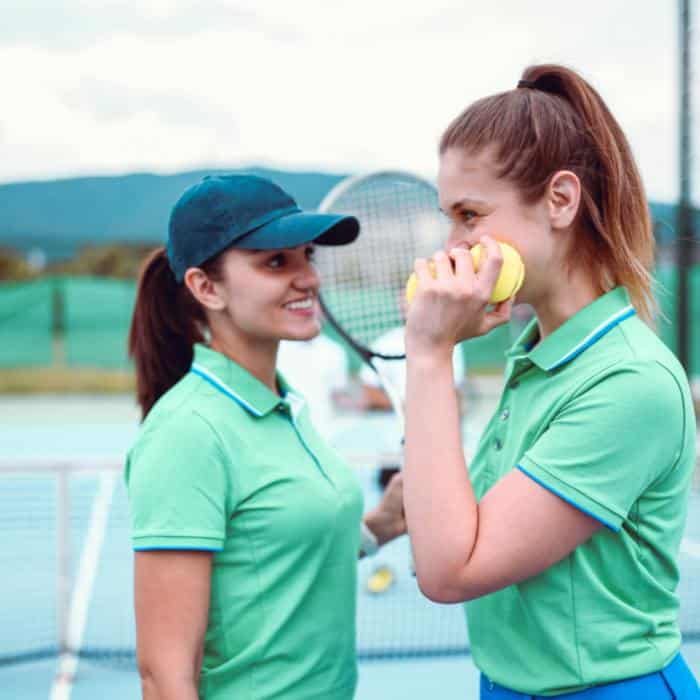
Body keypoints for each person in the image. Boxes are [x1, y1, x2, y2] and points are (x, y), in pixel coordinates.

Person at [403, 65, 700, 699]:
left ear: (560, 201)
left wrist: (429, 354)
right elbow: (464, 531)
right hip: (508, 686)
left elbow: (451, 570)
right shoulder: (537, 355)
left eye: (469, 214)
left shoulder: (628, 381)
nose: (453, 244)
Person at [124, 174, 406, 700]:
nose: (308, 279)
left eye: (307, 257)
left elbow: (270, 560)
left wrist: (378, 528)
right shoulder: (189, 432)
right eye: (276, 262)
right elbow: (164, 676)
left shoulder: (284, 403)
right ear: (206, 287)